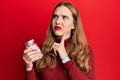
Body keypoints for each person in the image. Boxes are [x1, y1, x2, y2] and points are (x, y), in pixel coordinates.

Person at [23, 1, 96, 80]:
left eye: (64, 17)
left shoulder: (85, 51)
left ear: (74, 25)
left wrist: (65, 58)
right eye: (55, 17)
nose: (57, 21)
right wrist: (29, 68)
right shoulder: (41, 51)